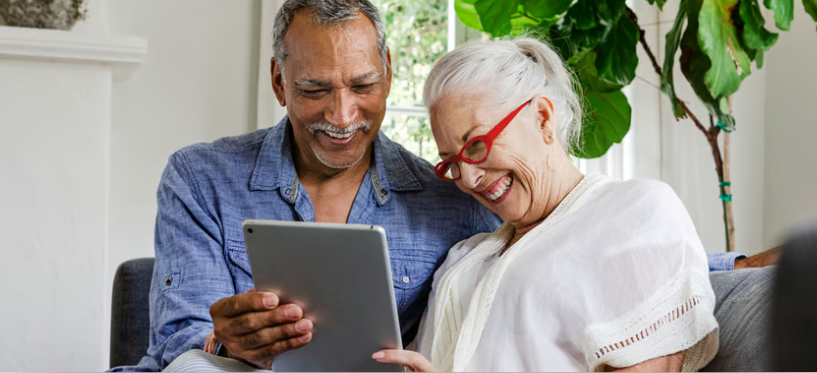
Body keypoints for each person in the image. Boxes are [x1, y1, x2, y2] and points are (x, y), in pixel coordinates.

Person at [108, 1, 776, 371]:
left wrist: (743, 264)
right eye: (314, 90)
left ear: (388, 71)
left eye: (363, 86)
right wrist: (224, 341)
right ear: (280, 83)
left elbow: (613, 247)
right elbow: (177, 344)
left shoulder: (464, 201)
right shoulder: (202, 178)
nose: (342, 115)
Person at [372, 37, 719, 372]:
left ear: (541, 117)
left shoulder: (635, 211)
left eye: (476, 144)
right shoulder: (466, 255)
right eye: (452, 162)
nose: (469, 178)